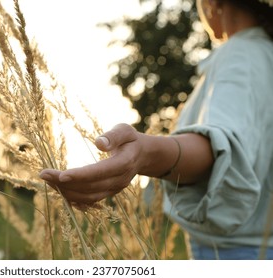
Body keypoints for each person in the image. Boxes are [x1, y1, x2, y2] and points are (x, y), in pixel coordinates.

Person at [40, 0, 273, 260]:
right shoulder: (264, 54)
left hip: (238, 254)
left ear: (211, 3)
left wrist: (144, 153)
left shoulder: (242, 53)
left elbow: (219, 146)